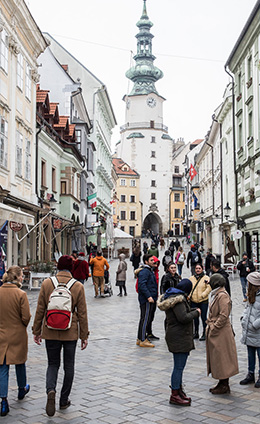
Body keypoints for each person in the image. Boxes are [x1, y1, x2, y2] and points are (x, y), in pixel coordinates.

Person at [32, 255, 89, 417]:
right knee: (68, 366)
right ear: (71, 268)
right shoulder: (77, 286)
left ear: (57, 266)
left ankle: (51, 390)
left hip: (50, 329)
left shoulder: (47, 283)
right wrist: (84, 335)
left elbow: (40, 309)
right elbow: (83, 314)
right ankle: (64, 400)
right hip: (70, 332)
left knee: (52, 364)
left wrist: (37, 331)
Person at [157, 279, 200, 406]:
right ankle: (175, 394)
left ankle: (179, 390)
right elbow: (183, 318)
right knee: (178, 367)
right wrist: (196, 313)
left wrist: (192, 310)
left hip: (177, 335)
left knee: (179, 366)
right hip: (179, 337)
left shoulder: (174, 297)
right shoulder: (179, 301)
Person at [0, 266, 31, 417]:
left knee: (3, 367)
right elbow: (26, 317)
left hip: (1, 334)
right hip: (17, 334)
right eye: (21, 275)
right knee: (20, 362)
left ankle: (4, 401)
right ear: (17, 277)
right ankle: (21, 389)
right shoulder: (21, 294)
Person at [206, 274, 239, 394]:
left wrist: (214, 327)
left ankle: (224, 384)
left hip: (222, 332)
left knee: (223, 357)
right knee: (218, 358)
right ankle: (221, 381)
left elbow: (224, 315)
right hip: (217, 331)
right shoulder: (216, 294)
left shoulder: (223, 296)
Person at [240, 272, 260, 388]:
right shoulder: (251, 295)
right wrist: (243, 319)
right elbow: (247, 308)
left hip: (257, 331)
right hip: (249, 331)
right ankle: (250, 374)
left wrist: (255, 324)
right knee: (250, 354)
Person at [136, 254, 158, 348]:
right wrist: (149, 296)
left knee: (144, 318)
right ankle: (142, 339)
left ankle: (140, 338)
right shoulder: (145, 271)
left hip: (149, 298)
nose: (154, 261)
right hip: (146, 299)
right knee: (145, 319)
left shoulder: (149, 271)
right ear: (146, 262)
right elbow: (142, 285)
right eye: (151, 260)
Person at [189, 264, 211, 341]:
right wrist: (189, 296)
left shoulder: (206, 278)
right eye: (196, 268)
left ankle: (204, 333)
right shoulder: (191, 278)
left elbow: (209, 288)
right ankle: (196, 333)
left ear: (202, 269)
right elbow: (189, 287)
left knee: (203, 317)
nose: (198, 270)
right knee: (195, 318)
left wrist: (203, 295)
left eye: (199, 268)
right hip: (194, 300)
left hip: (203, 301)